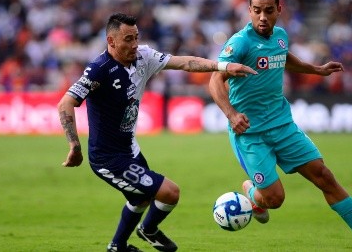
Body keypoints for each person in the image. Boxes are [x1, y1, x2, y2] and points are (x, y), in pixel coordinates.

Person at [209, 0, 352, 252]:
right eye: (257, 11)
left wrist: (316, 70)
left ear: (279, 10)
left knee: (324, 176)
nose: (263, 17)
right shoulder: (240, 43)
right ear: (249, 11)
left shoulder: (281, 36)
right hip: (250, 133)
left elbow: (283, 57)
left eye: (269, 11)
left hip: (283, 125)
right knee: (275, 199)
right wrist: (231, 114)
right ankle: (253, 193)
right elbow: (215, 80)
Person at [58, 13, 256, 252]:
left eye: (136, 37)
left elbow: (185, 63)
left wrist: (223, 66)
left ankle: (117, 246)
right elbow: (66, 103)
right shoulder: (99, 70)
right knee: (169, 193)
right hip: (107, 158)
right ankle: (148, 229)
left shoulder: (144, 56)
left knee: (139, 199)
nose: (134, 44)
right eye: (128, 39)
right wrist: (75, 146)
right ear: (111, 41)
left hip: (130, 148)